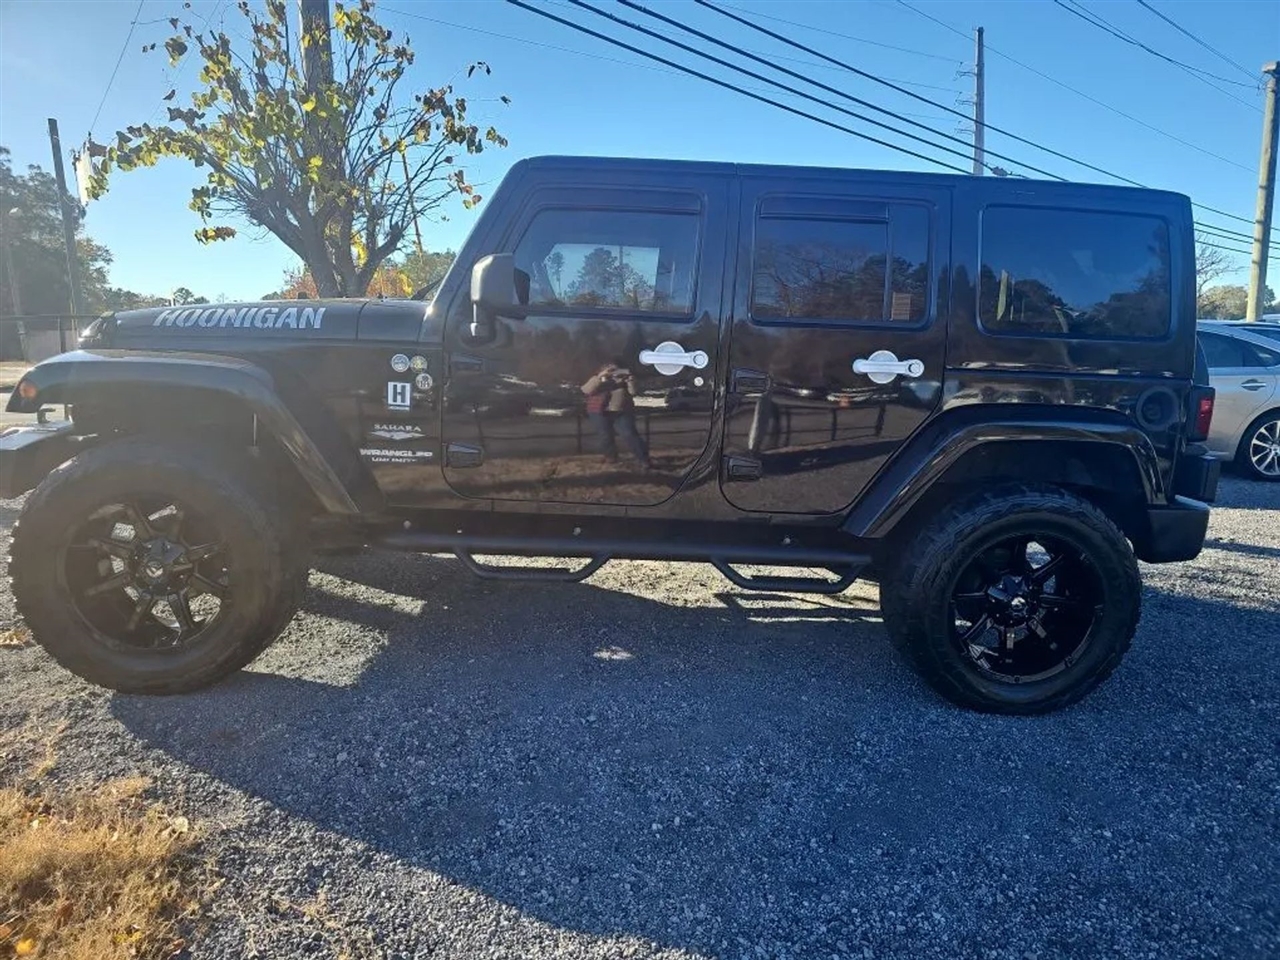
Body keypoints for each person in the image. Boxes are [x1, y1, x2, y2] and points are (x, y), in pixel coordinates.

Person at [581, 361, 651, 468]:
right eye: (610, 370)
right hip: (598, 411)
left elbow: (633, 392)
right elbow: (586, 390)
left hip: (621, 411)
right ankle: (610, 457)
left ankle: (643, 458)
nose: (613, 373)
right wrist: (600, 377)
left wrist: (630, 381)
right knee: (605, 436)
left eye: (616, 369)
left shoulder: (624, 379)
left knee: (629, 434)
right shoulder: (597, 378)